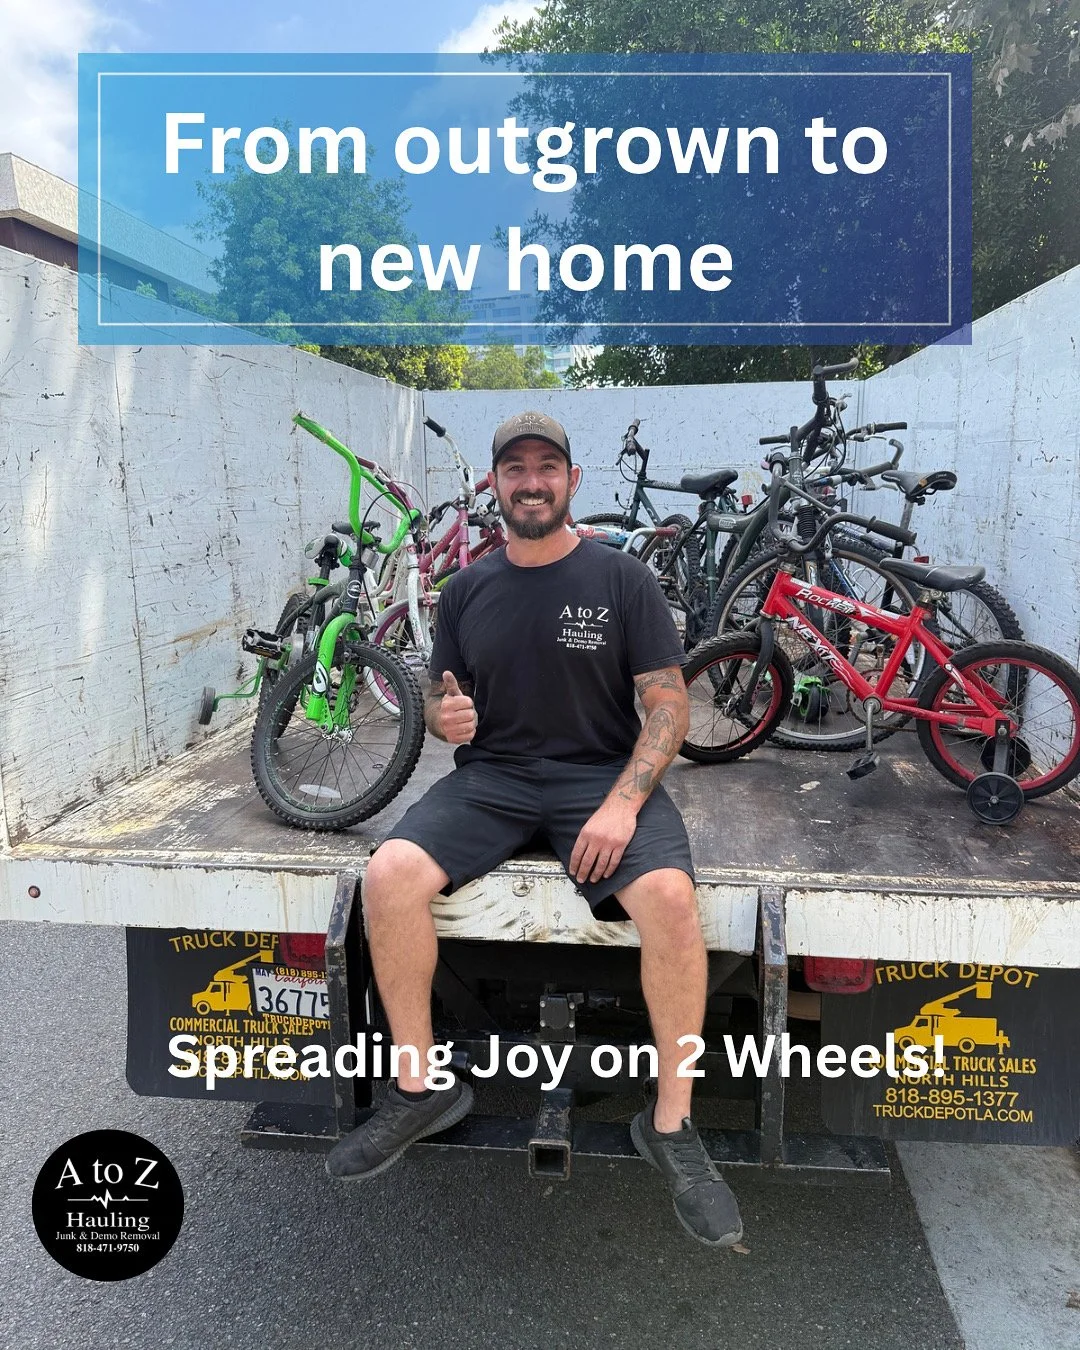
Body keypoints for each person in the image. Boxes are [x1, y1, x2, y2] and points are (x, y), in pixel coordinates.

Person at [325, 410, 743, 1247]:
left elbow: (667, 701)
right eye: (513, 468)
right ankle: (420, 1090)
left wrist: (623, 802)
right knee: (389, 876)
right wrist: (449, 720)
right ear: (495, 487)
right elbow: (451, 709)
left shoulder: (623, 580)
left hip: (599, 778)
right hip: (498, 781)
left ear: (571, 482)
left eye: (546, 466)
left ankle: (669, 1127)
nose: (530, 481)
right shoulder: (470, 590)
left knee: (666, 897)